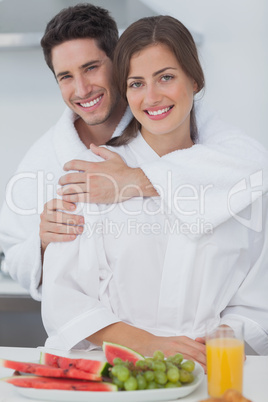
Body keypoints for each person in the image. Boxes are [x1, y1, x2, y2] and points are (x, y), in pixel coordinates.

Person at [41, 15, 268, 369]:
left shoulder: (241, 182)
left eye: (166, 77)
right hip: (117, 374)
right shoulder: (92, 176)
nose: (152, 96)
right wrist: (145, 343)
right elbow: (62, 296)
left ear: (194, 79)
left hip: (208, 372)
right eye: (135, 83)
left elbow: (258, 294)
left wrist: (222, 337)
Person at [0, 4, 267, 302]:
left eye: (91, 67)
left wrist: (136, 180)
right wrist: (42, 243)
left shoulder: (170, 119)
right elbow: (15, 256)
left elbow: (253, 165)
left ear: (119, 63)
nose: (82, 89)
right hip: (92, 330)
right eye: (66, 77)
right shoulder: (43, 159)